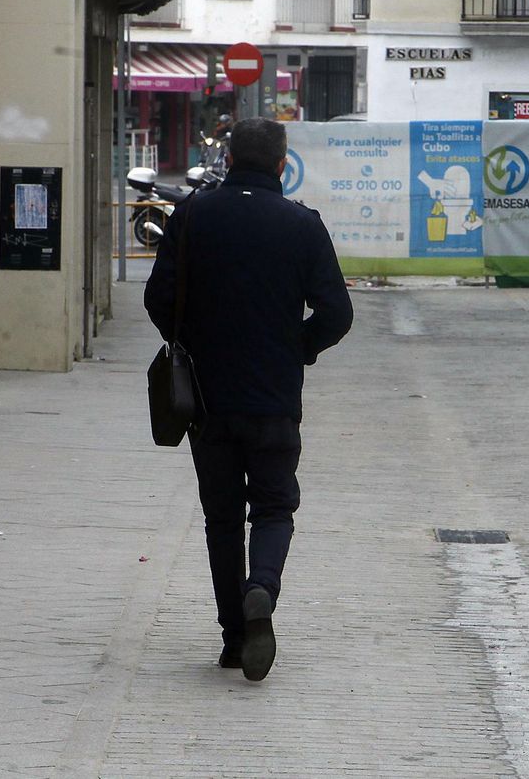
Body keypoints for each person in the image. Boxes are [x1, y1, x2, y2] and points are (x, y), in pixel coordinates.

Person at [144, 117, 353, 682]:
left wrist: (189, 344)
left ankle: (234, 637)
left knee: (220, 520)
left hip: (207, 402)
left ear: (229, 159)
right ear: (282, 165)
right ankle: (262, 586)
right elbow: (338, 313)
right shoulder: (301, 224)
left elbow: (157, 299)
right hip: (275, 398)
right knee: (274, 506)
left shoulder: (191, 215)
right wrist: (297, 350)